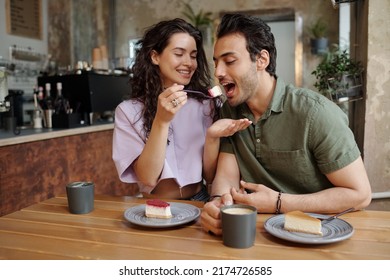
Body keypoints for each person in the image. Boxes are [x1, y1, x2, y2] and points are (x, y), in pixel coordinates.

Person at [201, 13, 372, 235]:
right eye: (216, 62)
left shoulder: (316, 113)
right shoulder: (229, 110)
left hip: (321, 236)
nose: (218, 72)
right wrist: (217, 203)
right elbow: (226, 177)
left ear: (262, 60)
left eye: (230, 61)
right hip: (259, 235)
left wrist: (279, 203)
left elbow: (360, 195)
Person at [112, 18, 251, 202]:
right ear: (155, 57)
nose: (189, 63)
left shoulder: (206, 105)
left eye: (193, 56)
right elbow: (147, 177)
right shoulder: (127, 112)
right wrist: (161, 121)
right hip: (154, 204)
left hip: (200, 199)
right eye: (179, 53)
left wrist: (211, 137)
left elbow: (209, 176)